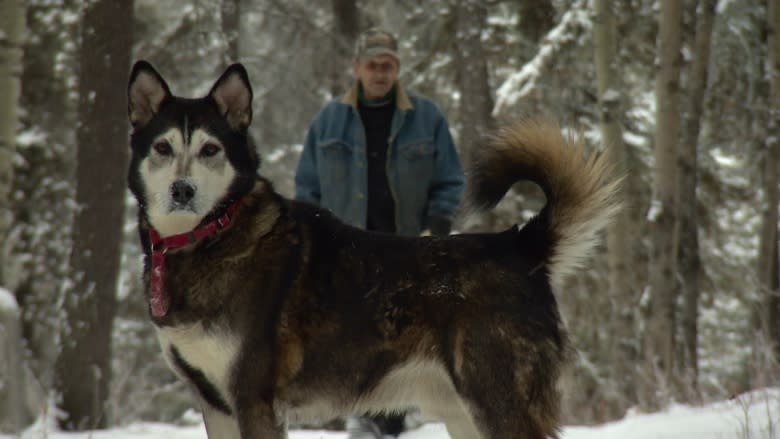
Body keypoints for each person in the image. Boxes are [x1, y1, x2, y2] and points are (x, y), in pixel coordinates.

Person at [294, 28, 464, 438]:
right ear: (357, 68)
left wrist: (437, 226)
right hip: (345, 253)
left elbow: (450, 180)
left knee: (405, 335)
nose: (380, 73)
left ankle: (394, 415)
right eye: (372, 65)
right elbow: (306, 189)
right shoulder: (328, 121)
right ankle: (363, 413)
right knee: (351, 333)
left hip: (408, 248)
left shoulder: (427, 118)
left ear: (398, 68)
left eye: (387, 65)